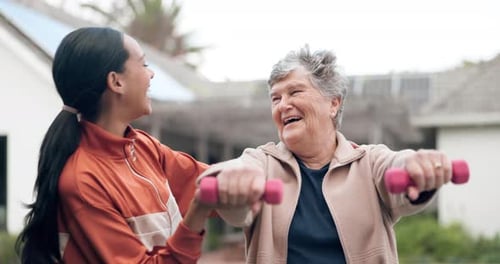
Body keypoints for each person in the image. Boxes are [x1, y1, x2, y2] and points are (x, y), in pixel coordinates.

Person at [197, 45, 454, 263]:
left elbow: (396, 165)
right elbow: (234, 172)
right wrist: (231, 180)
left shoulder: (369, 162)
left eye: (295, 92)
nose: (283, 104)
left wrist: (415, 165)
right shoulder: (262, 162)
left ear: (333, 103)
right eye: (276, 98)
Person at [15, 27, 215, 263]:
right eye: (143, 64)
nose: (151, 75)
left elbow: (214, 180)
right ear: (116, 81)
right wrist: (198, 212)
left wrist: (263, 165)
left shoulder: (143, 147)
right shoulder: (83, 180)